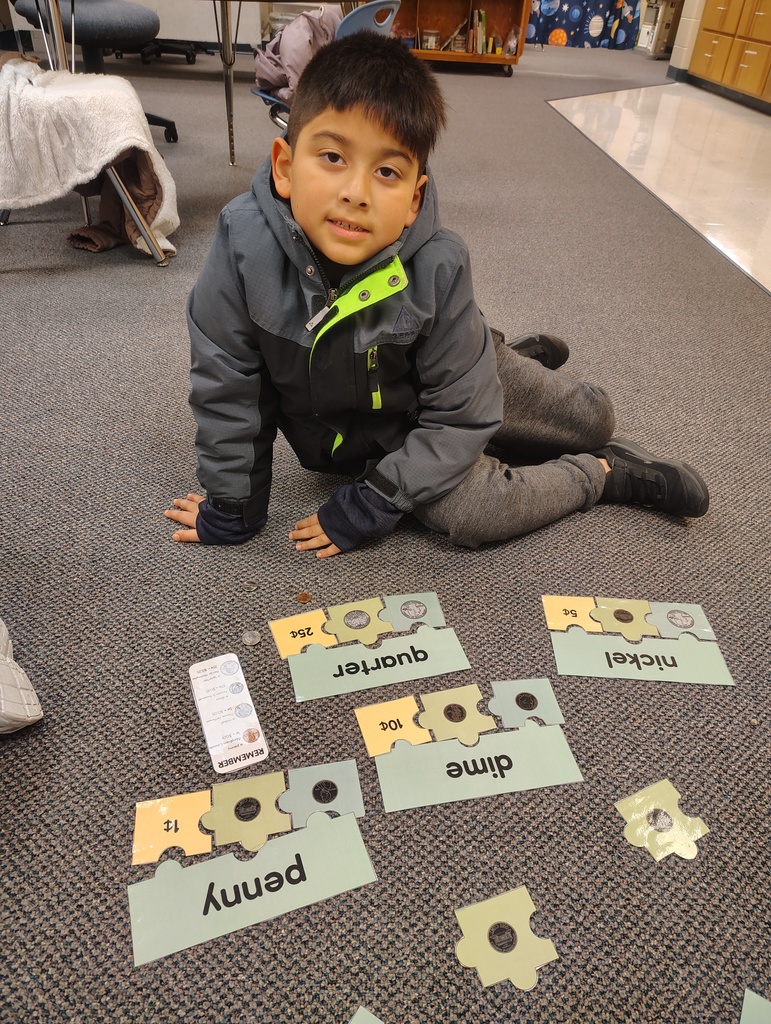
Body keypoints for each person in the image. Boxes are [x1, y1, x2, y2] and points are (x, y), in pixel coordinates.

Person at [165, 32, 708, 557]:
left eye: (386, 171)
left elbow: (462, 416)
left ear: (413, 199)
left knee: (594, 421)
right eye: (332, 158)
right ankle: (602, 474)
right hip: (394, 431)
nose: (355, 193)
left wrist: (370, 503)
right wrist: (233, 505)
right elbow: (226, 385)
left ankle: (524, 384)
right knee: (473, 513)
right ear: (285, 167)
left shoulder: (440, 262)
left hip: (456, 383)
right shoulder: (241, 245)